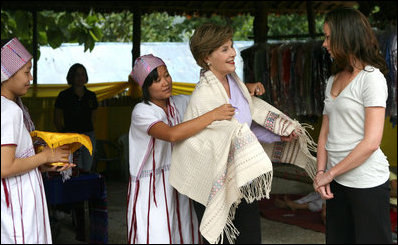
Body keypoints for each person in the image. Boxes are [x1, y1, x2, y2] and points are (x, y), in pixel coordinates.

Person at [169, 23, 317, 244]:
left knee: (249, 238)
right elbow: (210, 142)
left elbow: (244, 128)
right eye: (224, 49)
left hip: (242, 175)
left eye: (231, 46)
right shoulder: (204, 96)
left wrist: (278, 135)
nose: (233, 53)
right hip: (213, 179)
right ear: (206, 57)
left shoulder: (235, 83)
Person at [127, 54, 241, 244]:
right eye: (157, 80)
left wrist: (246, 89)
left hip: (179, 181)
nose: (165, 83)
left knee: (184, 234)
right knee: (157, 235)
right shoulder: (142, 111)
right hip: (152, 188)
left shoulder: (179, 103)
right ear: (145, 87)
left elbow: (213, 95)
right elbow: (172, 134)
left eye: (167, 76)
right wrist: (213, 115)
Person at [313, 7, 393, 244]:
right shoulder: (332, 80)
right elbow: (325, 133)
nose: (324, 44)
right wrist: (320, 173)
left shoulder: (372, 78)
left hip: (366, 181)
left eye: (328, 37)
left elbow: (371, 142)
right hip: (335, 181)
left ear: (345, 36)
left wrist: (329, 174)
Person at [1, 38, 74, 244]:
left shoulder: (11, 107)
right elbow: (5, 167)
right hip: (16, 203)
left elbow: (14, 158)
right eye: (26, 71)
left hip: (16, 198)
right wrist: (46, 155)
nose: (31, 77)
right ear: (6, 74)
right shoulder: (9, 111)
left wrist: (42, 164)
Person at [54, 63, 98, 173]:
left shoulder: (91, 96)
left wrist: (90, 133)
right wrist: (64, 134)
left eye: (82, 74)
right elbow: (57, 117)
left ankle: (85, 188)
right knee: (73, 168)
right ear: (71, 77)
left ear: (86, 77)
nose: (80, 77)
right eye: (77, 75)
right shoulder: (63, 95)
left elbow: (94, 117)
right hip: (70, 136)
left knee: (87, 167)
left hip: (88, 135)